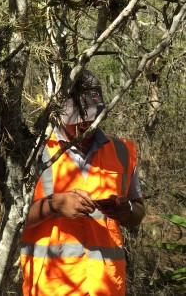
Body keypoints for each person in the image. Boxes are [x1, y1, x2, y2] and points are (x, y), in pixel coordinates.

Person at [20, 70, 146, 295]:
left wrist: (125, 209)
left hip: (106, 285)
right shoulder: (32, 151)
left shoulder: (122, 151)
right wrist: (53, 205)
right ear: (56, 112)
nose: (86, 124)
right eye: (76, 120)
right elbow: (11, 221)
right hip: (51, 287)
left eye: (91, 117)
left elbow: (137, 214)